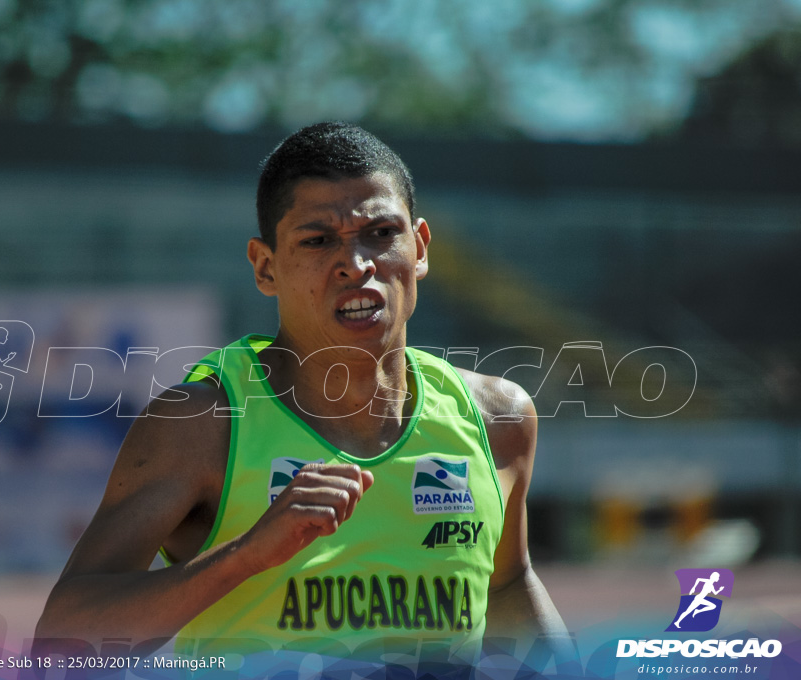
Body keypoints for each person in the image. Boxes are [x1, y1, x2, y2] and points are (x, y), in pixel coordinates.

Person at [36, 122, 568, 675]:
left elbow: (508, 584)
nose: (357, 263)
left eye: (382, 232)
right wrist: (248, 555)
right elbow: (59, 642)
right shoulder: (201, 423)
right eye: (317, 241)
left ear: (420, 248)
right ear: (266, 267)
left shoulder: (497, 418)